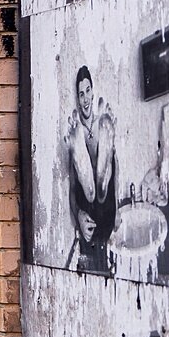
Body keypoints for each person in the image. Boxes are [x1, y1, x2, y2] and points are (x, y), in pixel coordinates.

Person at [66, 65, 116, 275]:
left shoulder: (96, 124)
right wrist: (78, 214)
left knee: (101, 192)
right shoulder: (77, 127)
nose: (85, 99)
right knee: (89, 191)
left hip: (104, 211)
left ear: (93, 91)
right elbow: (71, 186)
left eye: (87, 91)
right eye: (81, 94)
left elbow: (117, 170)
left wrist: (118, 213)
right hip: (90, 214)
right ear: (77, 99)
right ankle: (91, 177)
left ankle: (100, 183)